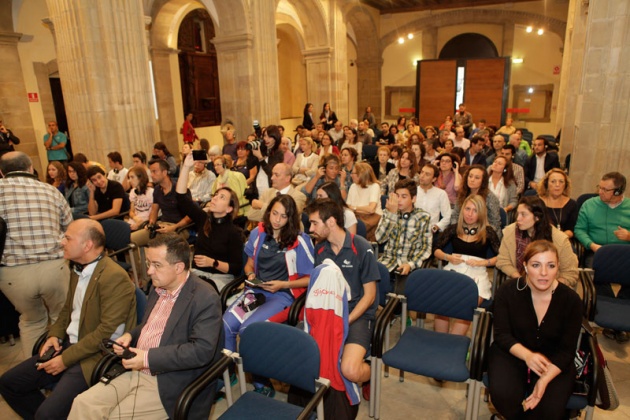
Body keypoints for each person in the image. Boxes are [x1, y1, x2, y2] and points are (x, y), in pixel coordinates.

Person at [69, 233, 224, 420]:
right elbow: (151, 325)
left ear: (178, 267)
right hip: (136, 368)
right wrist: (131, 336)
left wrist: (147, 358)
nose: (149, 271)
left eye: (156, 265)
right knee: (83, 404)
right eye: (149, 263)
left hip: (170, 380)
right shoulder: (158, 286)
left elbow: (201, 351)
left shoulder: (204, 297)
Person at [0, 219, 136, 420]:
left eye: (68, 237)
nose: (61, 241)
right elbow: (67, 310)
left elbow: (106, 332)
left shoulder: (114, 276)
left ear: (87, 245)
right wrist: (54, 334)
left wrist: (65, 359)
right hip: (70, 345)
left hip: (94, 355)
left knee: (46, 414)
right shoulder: (78, 268)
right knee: (9, 383)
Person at [223, 195, 314, 396]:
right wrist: (250, 274)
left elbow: (311, 278)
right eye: (274, 213)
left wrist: (284, 284)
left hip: (282, 296)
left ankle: (261, 384)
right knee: (227, 324)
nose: (277, 220)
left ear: (290, 219)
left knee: (249, 330)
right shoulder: (258, 232)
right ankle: (229, 371)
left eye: (283, 216)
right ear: (269, 212)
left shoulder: (300, 240)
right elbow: (248, 263)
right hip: (256, 292)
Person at [488, 240, 582, 419]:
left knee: (547, 410)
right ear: (525, 265)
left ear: (558, 267)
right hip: (513, 352)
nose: (544, 273)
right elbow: (502, 335)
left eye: (551, 265)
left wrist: (545, 380)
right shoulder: (507, 291)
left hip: (553, 361)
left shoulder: (571, 300)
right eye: (536, 265)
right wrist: (528, 356)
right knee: (504, 397)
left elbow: (566, 351)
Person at [0, 152, 72, 357]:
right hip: (54, 266)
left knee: (31, 320)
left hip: (14, 273)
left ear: (2, 172)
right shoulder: (50, 190)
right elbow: (69, 228)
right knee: (62, 318)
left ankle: (35, 371)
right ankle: (67, 368)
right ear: (31, 168)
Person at [306, 199, 379, 388]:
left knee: (350, 370)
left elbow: (370, 296)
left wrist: (345, 321)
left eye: (314, 223)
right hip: (329, 311)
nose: (310, 228)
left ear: (330, 222)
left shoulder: (362, 247)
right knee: (304, 359)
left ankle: (369, 373)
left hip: (358, 314)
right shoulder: (320, 248)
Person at [177, 153, 244, 291]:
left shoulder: (234, 232)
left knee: (200, 291)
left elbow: (236, 268)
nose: (214, 199)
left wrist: (212, 263)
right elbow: (181, 198)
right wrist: (185, 167)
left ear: (229, 208)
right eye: (215, 196)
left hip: (220, 279)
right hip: (198, 275)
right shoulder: (203, 219)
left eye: (222, 197)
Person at [434, 195, 500, 333]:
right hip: (453, 269)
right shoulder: (453, 229)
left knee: (466, 307)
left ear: (481, 213)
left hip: (477, 274)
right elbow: (436, 250)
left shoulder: (488, 232)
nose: (470, 214)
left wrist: (483, 262)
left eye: (475, 210)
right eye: (467, 209)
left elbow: (501, 257)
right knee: (441, 303)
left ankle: (455, 344)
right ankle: (441, 342)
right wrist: (448, 257)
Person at [497, 196, 578, 289]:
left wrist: (550, 287)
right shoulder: (510, 232)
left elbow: (570, 273)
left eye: (523, 214)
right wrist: (520, 280)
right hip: (520, 284)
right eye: (517, 214)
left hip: (551, 288)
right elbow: (503, 261)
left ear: (537, 217)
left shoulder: (559, 239)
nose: (518, 219)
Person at [376, 179, 432, 277]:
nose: (399, 200)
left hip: (409, 266)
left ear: (413, 199)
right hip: (387, 263)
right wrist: (391, 215)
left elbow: (426, 248)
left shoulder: (423, 217)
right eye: (397, 196)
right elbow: (379, 239)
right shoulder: (388, 212)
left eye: (404, 197)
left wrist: (410, 265)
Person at [450, 164, 503, 239]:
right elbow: (455, 216)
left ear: (483, 181)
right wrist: (459, 229)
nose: (472, 179)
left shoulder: (490, 197)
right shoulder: (463, 194)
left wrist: (476, 233)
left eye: (477, 178)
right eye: (470, 176)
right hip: (462, 231)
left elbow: (495, 223)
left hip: (484, 234)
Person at [537, 168, 578, 238]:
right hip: (541, 239)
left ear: (565, 185)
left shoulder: (572, 204)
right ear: (546, 184)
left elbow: (571, 230)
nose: (557, 185)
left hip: (563, 240)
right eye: (553, 181)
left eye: (561, 182)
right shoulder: (537, 202)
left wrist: (559, 238)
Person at [347, 162, 382, 241]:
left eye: (353, 173)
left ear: (361, 174)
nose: (351, 175)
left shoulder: (374, 186)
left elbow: (371, 209)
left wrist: (354, 208)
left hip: (372, 219)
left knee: (355, 227)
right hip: (356, 216)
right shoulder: (353, 186)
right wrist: (356, 209)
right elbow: (348, 207)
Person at [415, 163, 452, 236]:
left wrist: (436, 227)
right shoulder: (412, 191)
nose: (422, 176)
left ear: (434, 179)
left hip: (430, 232)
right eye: (422, 172)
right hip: (412, 230)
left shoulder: (441, 193)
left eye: (427, 174)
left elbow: (447, 216)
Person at [252, 125, 284, 197]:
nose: (266, 139)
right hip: (258, 185)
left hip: (270, 186)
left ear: (276, 138)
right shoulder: (262, 149)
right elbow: (249, 165)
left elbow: (272, 172)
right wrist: (252, 153)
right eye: (265, 136)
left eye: (269, 137)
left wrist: (260, 158)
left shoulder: (278, 153)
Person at [127, 166, 154, 231]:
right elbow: (131, 211)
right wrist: (135, 218)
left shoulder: (151, 192)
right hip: (134, 221)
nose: (129, 180)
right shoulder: (133, 192)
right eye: (129, 177)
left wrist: (140, 224)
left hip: (145, 223)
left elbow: (152, 214)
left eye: (132, 177)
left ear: (140, 178)